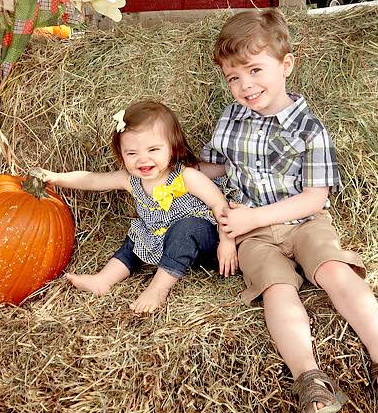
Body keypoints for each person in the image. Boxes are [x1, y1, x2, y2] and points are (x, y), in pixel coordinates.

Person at [198, 9, 378, 413]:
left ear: (286, 65)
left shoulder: (309, 129)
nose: (244, 85)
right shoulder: (230, 120)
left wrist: (253, 217)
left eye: (254, 70)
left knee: (334, 269)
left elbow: (316, 196)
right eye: (233, 77)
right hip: (254, 235)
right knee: (276, 289)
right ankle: (309, 378)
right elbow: (218, 168)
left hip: (303, 220)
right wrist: (173, 169)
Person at [37, 100, 237, 314]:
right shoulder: (130, 180)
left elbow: (219, 204)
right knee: (136, 236)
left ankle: (158, 289)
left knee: (185, 228)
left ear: (172, 147)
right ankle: (103, 280)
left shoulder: (186, 176)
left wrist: (227, 241)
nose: (143, 159)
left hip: (204, 242)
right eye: (132, 153)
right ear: (121, 154)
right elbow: (92, 180)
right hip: (162, 237)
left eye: (153, 149)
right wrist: (57, 178)